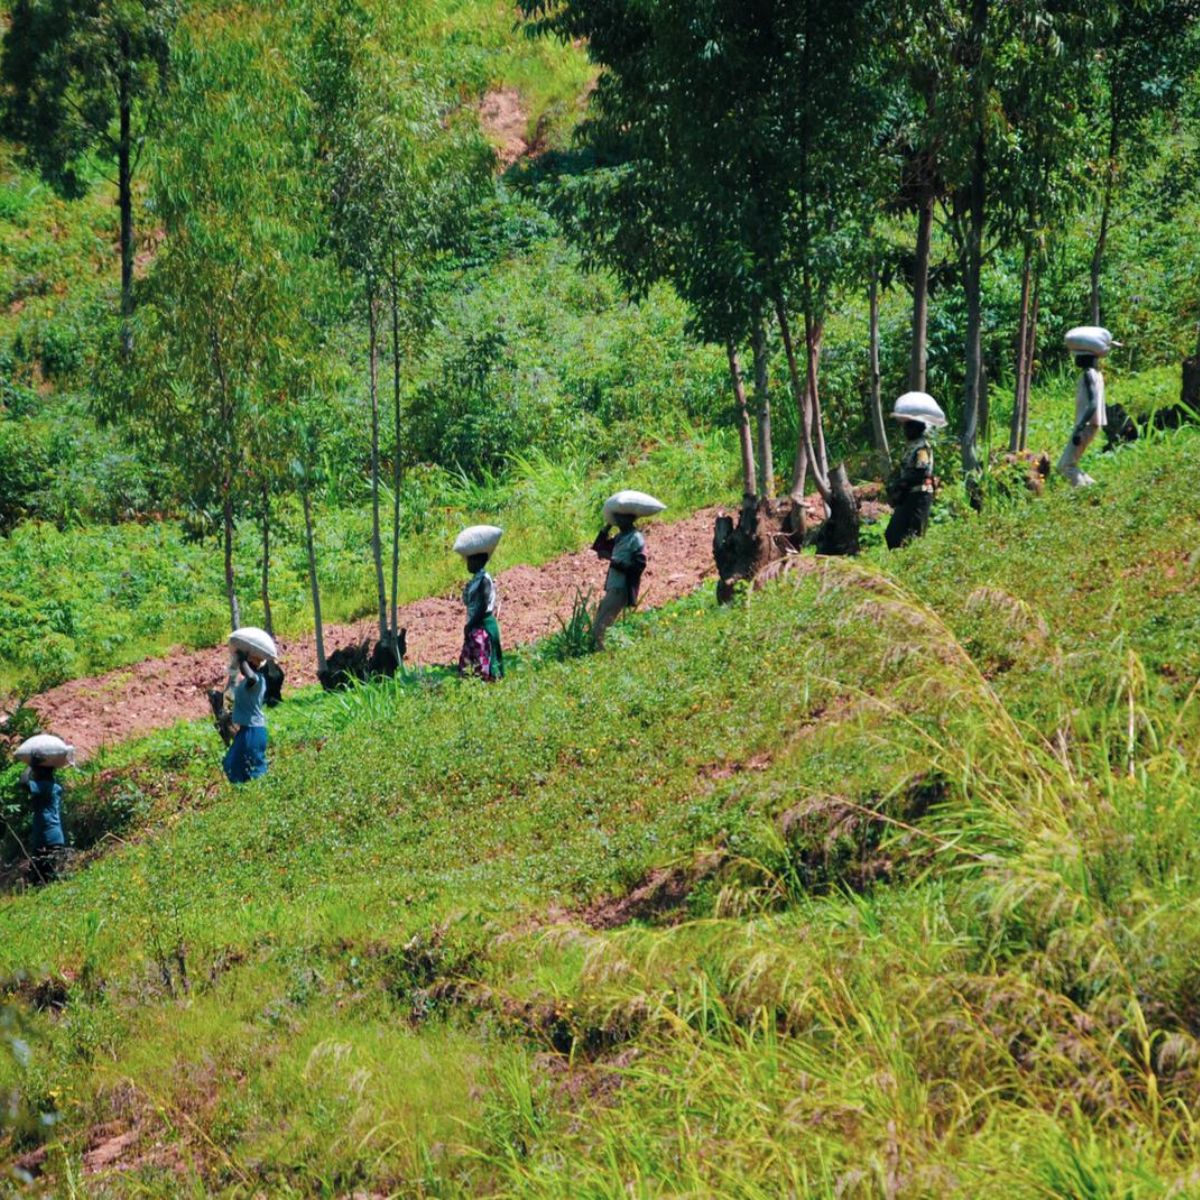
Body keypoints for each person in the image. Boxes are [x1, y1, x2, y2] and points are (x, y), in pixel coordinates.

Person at [885, 391, 946, 550]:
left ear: (916, 429)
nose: (905, 431)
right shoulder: (910, 447)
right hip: (908, 494)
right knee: (893, 533)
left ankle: (912, 564)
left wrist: (901, 483)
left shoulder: (922, 447)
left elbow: (920, 471)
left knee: (915, 534)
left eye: (908, 427)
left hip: (920, 494)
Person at [1058, 330, 1114, 486]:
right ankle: (1093, 487)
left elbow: (1093, 403)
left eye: (1079, 357)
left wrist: (1080, 427)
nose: (1076, 360)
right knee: (1069, 464)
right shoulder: (1097, 374)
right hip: (1091, 425)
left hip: (1086, 426)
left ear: (1086, 359)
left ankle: (1087, 489)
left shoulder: (1088, 375)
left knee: (1065, 466)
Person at [592, 512, 647, 648]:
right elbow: (598, 547)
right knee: (600, 619)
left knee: (600, 626)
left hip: (622, 587)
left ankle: (598, 654)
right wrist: (608, 526)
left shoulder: (635, 538)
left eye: (621, 518)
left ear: (630, 519)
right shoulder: (620, 538)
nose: (618, 520)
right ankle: (599, 651)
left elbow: (639, 566)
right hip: (613, 587)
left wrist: (614, 561)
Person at [221, 648, 270, 783]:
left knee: (255, 769)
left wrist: (243, 660)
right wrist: (236, 662)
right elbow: (232, 686)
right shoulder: (245, 683)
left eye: (245, 665)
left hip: (253, 730)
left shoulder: (257, 680)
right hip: (246, 730)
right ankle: (244, 794)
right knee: (231, 763)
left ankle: (262, 792)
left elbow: (251, 678)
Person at [460, 551, 504, 681]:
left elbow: (484, 606)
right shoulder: (476, 580)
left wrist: (471, 624)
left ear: (479, 562)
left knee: (484, 665)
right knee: (471, 664)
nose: (468, 564)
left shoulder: (484, 579)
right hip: (476, 624)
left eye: (471, 560)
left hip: (483, 625)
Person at [24, 757, 68, 883]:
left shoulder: (42, 787)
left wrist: (30, 766)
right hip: (55, 837)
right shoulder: (56, 787)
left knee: (40, 880)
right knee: (50, 877)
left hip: (45, 839)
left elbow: (23, 782)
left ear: (41, 773)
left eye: (37, 772)